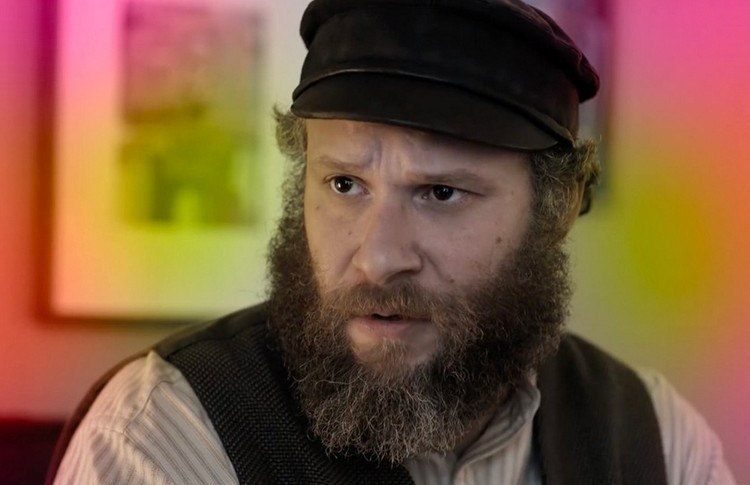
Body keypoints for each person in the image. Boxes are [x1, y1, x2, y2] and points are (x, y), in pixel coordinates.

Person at [49, 0, 736, 483]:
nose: (378, 258)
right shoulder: (164, 437)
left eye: (441, 193)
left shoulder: (657, 442)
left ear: (556, 209)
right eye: (345, 184)